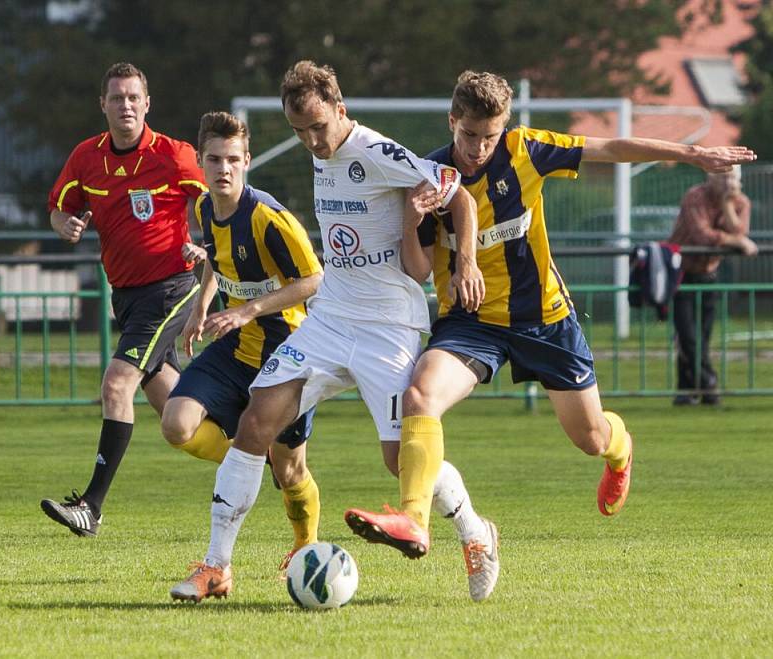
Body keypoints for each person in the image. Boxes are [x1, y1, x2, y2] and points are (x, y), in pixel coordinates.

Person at [346, 70, 757, 554]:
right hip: (471, 322)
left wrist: (692, 155)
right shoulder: (428, 177)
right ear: (452, 121)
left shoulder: (528, 150)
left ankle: (620, 449)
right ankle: (414, 520)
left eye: (489, 136)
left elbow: (613, 148)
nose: (479, 148)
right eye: (469, 135)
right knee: (419, 395)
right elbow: (415, 271)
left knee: (590, 437)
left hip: (544, 319)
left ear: (505, 128)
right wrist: (411, 219)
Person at [170, 60, 499, 604]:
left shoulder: (375, 151)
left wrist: (465, 261)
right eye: (299, 132)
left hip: (389, 326)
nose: (312, 142)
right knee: (257, 422)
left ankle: (474, 530)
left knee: (401, 462)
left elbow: (458, 195)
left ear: (340, 110)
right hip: (329, 321)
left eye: (319, 128)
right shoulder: (320, 155)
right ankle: (216, 567)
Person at [41, 62, 207, 536]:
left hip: (172, 288)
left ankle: (91, 507)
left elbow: (221, 195)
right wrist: (64, 225)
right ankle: (263, 446)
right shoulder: (85, 158)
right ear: (104, 105)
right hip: (127, 298)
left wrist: (208, 244)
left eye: (134, 97)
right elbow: (59, 206)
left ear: (147, 104)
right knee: (181, 415)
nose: (126, 105)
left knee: (116, 387)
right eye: (117, 98)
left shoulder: (174, 155)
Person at [160, 111, 324, 579]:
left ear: (247, 160)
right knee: (177, 425)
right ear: (200, 161)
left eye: (233, 159)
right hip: (234, 350)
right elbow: (215, 258)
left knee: (290, 472)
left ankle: (306, 546)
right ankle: (249, 455)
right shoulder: (203, 208)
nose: (223, 169)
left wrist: (248, 310)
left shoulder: (270, 218)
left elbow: (313, 280)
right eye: (214, 159)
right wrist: (199, 309)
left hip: (286, 354)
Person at [669, 167, 757, 405]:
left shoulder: (741, 202)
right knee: (687, 335)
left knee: (703, 335)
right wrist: (736, 241)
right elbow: (702, 236)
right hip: (682, 272)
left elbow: (741, 231)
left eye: (732, 177)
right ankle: (708, 383)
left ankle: (687, 391)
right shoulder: (695, 196)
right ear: (711, 177)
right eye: (723, 176)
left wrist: (728, 205)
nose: (728, 182)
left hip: (708, 273)